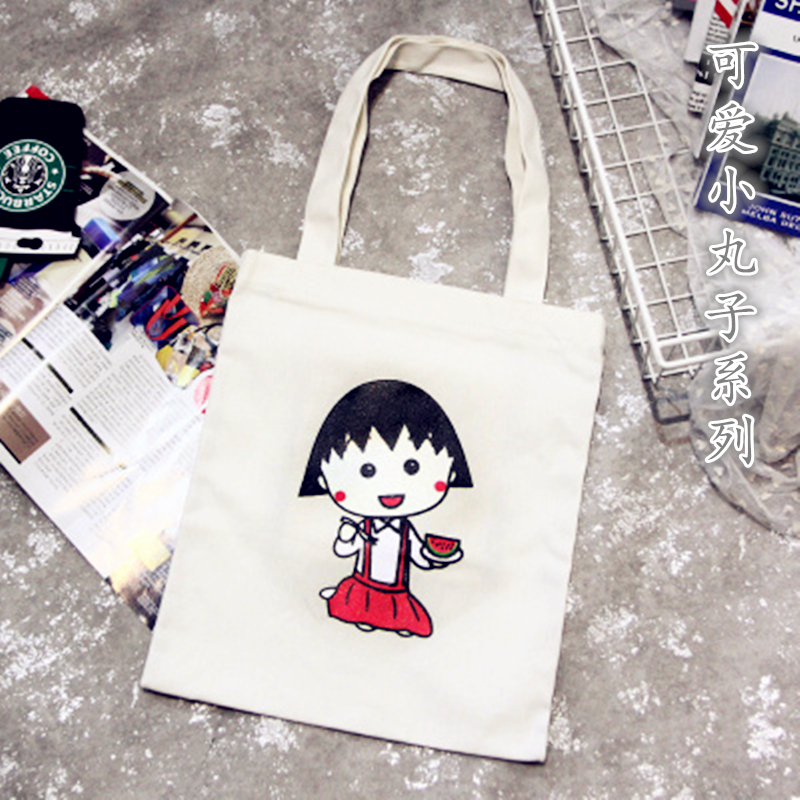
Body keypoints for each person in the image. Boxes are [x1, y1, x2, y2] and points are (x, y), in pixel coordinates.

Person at [299, 379, 472, 638]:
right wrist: (346, 537)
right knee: (362, 614)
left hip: (396, 591)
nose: (391, 488)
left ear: (451, 473)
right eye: (367, 471)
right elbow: (344, 550)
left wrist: (432, 556)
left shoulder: (406, 531)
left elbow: (418, 557)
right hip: (364, 585)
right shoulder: (363, 528)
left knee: (402, 620)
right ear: (323, 480)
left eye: (412, 467)